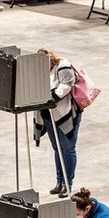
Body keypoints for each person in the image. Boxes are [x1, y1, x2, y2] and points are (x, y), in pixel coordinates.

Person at [33, 48, 82, 197]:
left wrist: (50, 97)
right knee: (57, 149)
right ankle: (59, 182)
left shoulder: (62, 64)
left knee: (67, 148)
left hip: (65, 114)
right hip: (48, 114)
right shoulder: (38, 71)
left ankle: (68, 184)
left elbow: (67, 85)